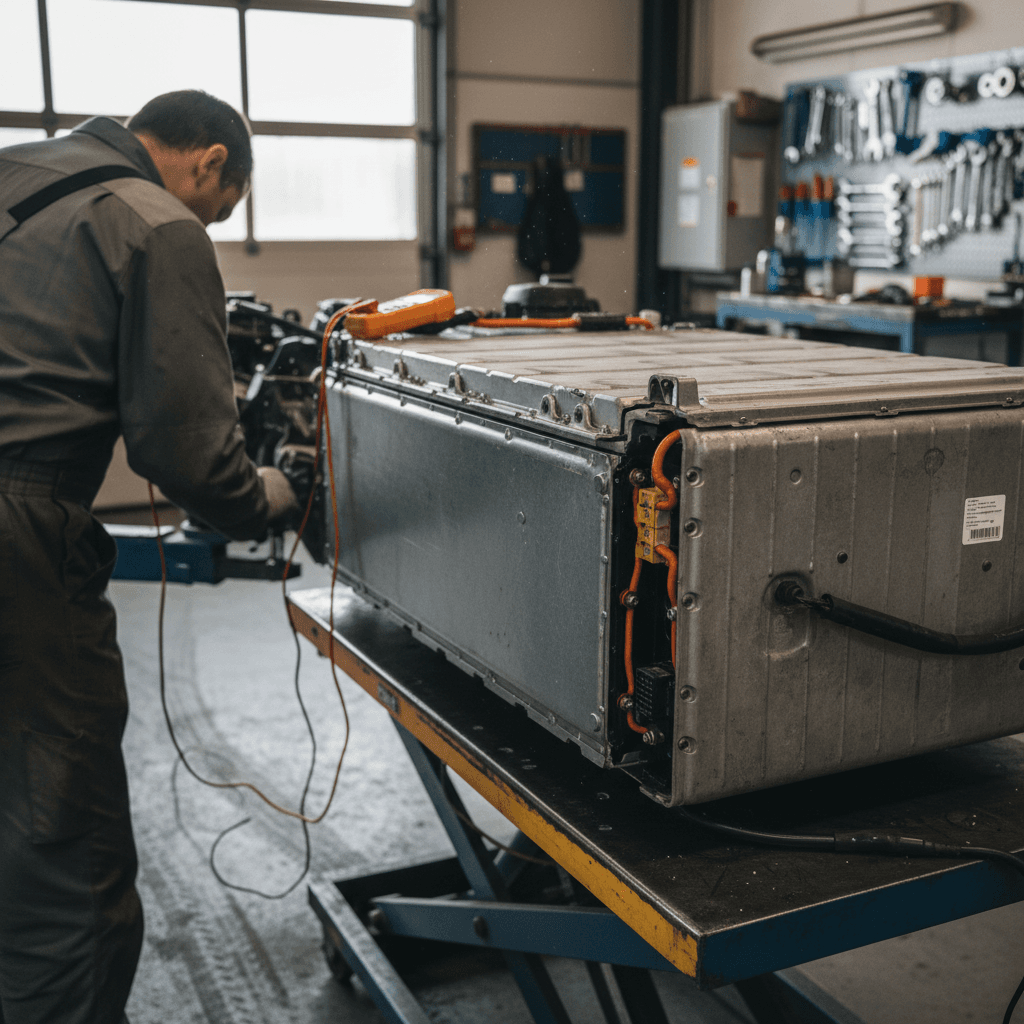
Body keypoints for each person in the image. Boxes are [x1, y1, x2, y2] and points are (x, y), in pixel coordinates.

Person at [0, 90, 298, 1023]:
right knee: (63, 833)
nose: (209, 222)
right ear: (208, 163)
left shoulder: (16, 167)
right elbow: (183, 454)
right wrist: (274, 493)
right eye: (222, 207)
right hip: (17, 526)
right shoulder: (158, 224)